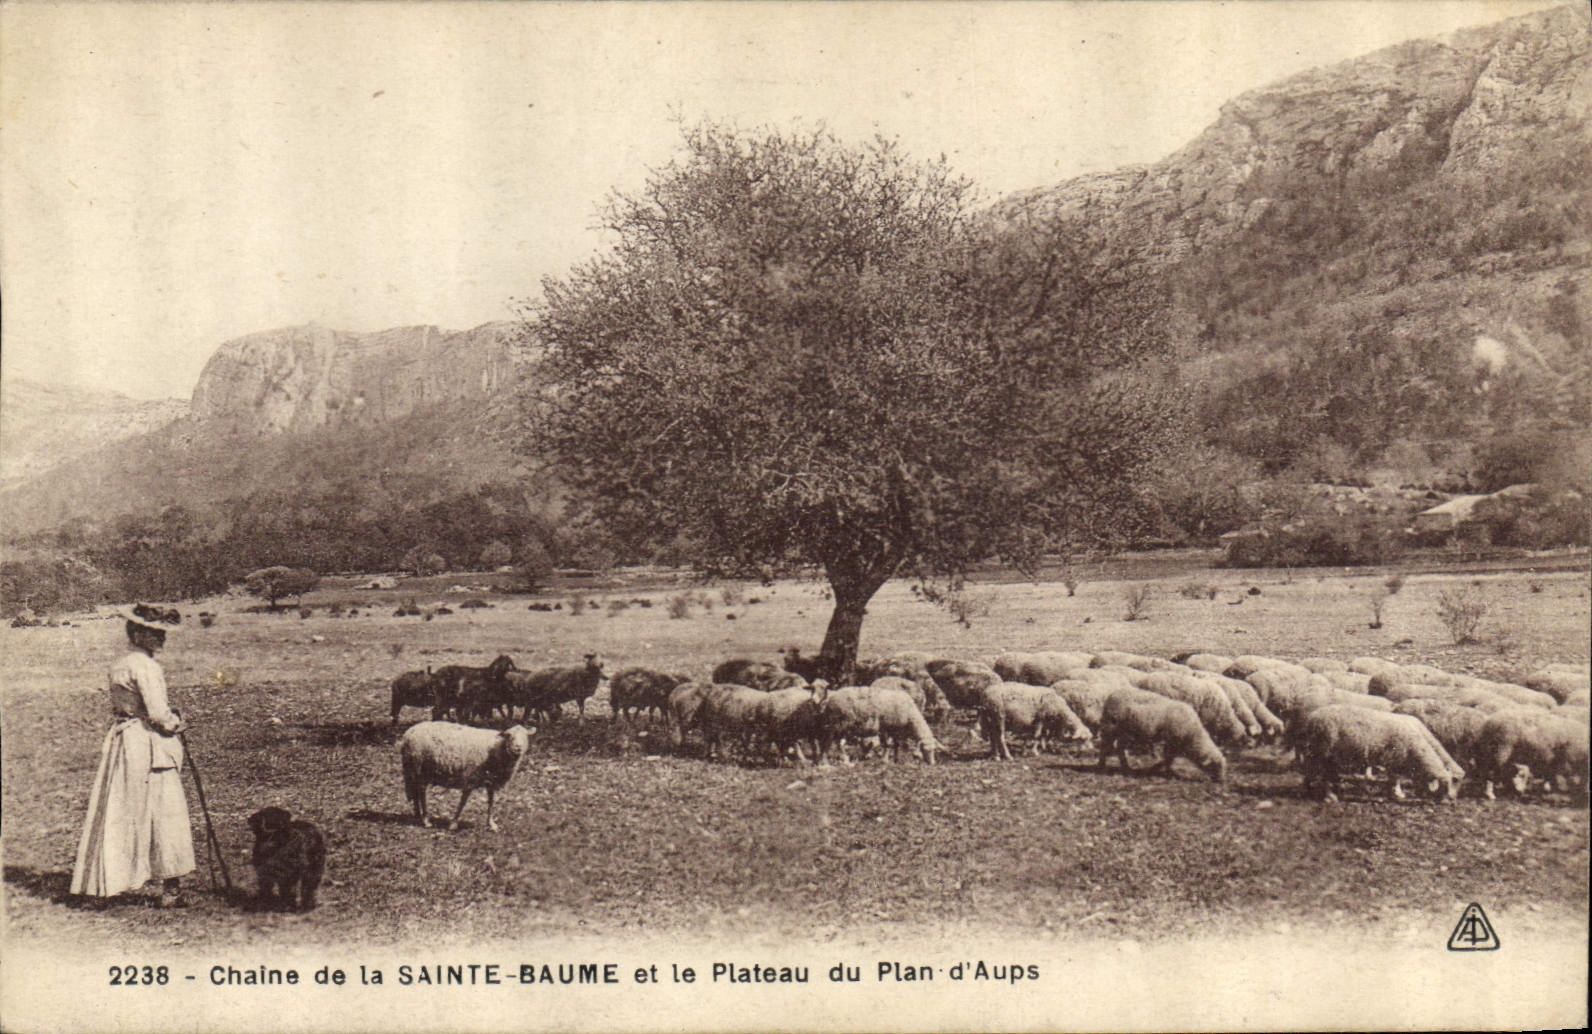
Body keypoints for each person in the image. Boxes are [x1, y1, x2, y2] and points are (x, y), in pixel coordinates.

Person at [71, 603, 196, 908]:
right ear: (138, 634)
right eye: (154, 633)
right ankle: (171, 889)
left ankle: (106, 883)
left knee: (120, 809)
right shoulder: (146, 667)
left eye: (162, 633)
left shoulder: (121, 664)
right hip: (149, 745)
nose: (161, 638)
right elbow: (158, 714)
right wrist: (176, 723)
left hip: (125, 743)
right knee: (166, 812)